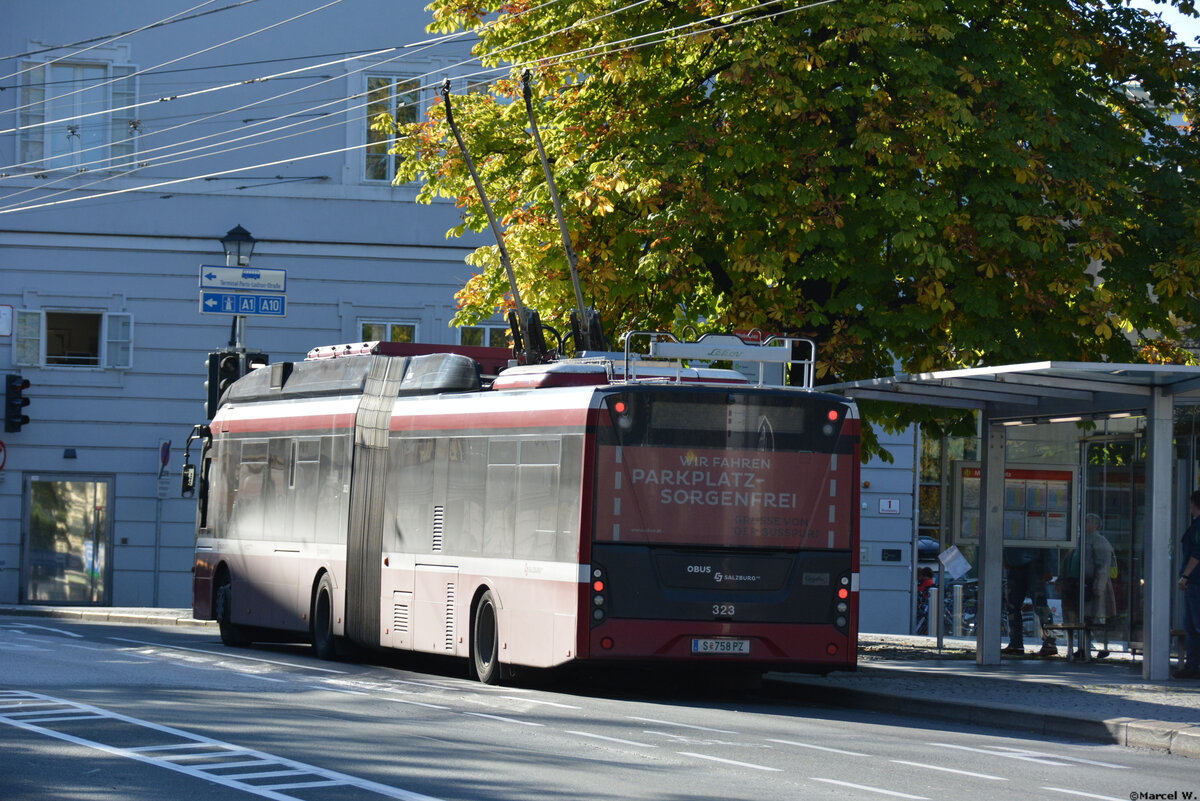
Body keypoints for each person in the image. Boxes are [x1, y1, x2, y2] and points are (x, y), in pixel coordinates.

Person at [1062, 514, 1116, 661]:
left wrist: (1098, 586)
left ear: (1095, 525)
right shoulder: (1078, 540)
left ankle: (1098, 646)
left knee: (1093, 617)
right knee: (1077, 616)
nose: (1082, 524)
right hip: (1075, 585)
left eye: (1086, 521)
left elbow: (1103, 566)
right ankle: (1081, 647)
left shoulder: (1100, 541)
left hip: (1091, 586)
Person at [1002, 546, 1058, 656]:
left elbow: (1048, 545)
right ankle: (1016, 643)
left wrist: (1048, 568)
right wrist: (1006, 558)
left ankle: (1049, 643)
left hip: (1034, 564)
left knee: (1039, 604)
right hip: (1017, 564)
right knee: (1014, 605)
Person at [1174, 490, 1200, 680]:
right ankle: (1192, 665)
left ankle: (1193, 665)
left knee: (1196, 625)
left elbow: (1198, 552)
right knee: (1191, 626)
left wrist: (1185, 575)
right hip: (1194, 582)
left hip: (1196, 581)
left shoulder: (1199, 525)